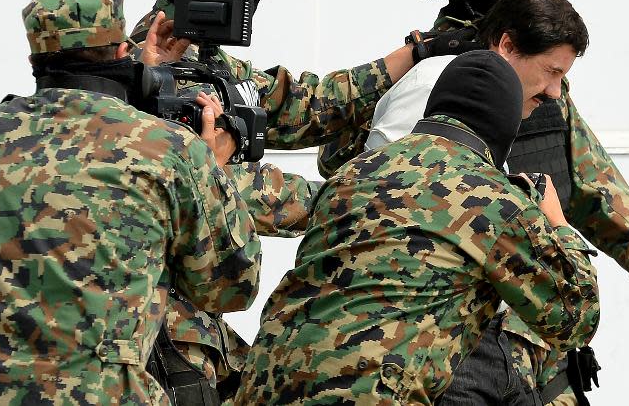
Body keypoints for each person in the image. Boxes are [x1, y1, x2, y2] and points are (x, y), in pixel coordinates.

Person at [334, 0, 629, 405]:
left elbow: (591, 183)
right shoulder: (417, 72)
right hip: (450, 338)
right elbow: (351, 177)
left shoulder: (543, 76)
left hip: (539, 331)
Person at [132, 0, 456, 402]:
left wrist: (417, 52)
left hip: (202, 328)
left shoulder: (213, 67)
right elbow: (219, 187)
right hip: (157, 336)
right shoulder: (143, 83)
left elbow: (310, 105)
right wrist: (362, 202)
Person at [0, 0, 260, 405]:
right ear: (123, 55)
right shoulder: (170, 148)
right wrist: (212, 166)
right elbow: (231, 287)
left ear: (35, 57)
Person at [235, 50, 600, 405]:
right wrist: (557, 221)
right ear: (505, 123)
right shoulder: (496, 198)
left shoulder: (354, 173)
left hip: (266, 384)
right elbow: (576, 319)